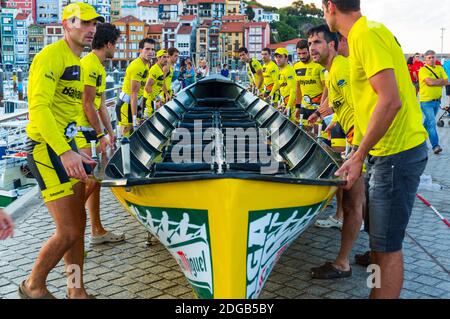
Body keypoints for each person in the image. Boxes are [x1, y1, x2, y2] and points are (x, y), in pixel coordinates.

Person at [323, 0, 428, 299]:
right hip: (385, 154)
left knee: (386, 250)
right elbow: (372, 102)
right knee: (378, 248)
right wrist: (360, 149)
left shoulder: (365, 34)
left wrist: (357, 156)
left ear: (330, 6)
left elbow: (390, 99)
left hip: (396, 154)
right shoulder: (362, 35)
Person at [20, 2, 103, 299]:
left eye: (94, 24)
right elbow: (38, 110)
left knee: (78, 225)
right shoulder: (49, 57)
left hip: (65, 146)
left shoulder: (78, 62)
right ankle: (33, 285)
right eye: (84, 23)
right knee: (68, 229)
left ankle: (75, 290)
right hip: (44, 148)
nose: (91, 29)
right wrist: (64, 152)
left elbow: (68, 114)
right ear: (67, 23)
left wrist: (77, 149)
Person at [307, 24, 363, 279]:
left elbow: (363, 105)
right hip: (357, 140)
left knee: (353, 202)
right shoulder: (331, 73)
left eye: (317, 42)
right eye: (309, 44)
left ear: (333, 44)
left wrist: (357, 150)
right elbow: (337, 102)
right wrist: (320, 114)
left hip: (362, 142)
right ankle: (372, 251)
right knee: (358, 200)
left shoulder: (341, 68)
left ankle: (343, 263)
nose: (312, 48)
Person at [74, 22, 125, 245]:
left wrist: (110, 133)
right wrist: (100, 133)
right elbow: (87, 104)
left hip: (91, 132)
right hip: (79, 131)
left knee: (95, 184)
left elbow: (101, 104)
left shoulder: (100, 67)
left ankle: (96, 230)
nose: (117, 48)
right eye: (116, 44)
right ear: (107, 43)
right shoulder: (89, 65)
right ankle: (68, 229)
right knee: (89, 182)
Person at [116, 38, 155, 136]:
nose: (150, 52)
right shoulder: (137, 66)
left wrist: (139, 111)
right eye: (147, 49)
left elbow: (141, 90)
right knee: (126, 138)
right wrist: (134, 119)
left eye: (152, 49)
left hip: (135, 104)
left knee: (135, 135)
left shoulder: (146, 64)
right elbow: (134, 94)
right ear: (140, 50)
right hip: (126, 105)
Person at [419, 50, 449, 154]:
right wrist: (439, 81)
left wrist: (437, 81)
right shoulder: (422, 70)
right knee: (431, 123)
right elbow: (429, 82)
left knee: (427, 124)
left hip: (437, 102)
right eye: (429, 58)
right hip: (426, 102)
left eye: (433, 57)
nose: (432, 59)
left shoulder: (440, 68)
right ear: (425, 59)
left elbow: (447, 81)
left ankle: (418, 140)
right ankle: (435, 146)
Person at [293, 39, 327, 127]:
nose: (302, 56)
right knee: (305, 133)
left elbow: (326, 88)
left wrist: (321, 109)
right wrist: (297, 106)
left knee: (317, 134)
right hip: (304, 108)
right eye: (299, 54)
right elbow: (298, 88)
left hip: (318, 108)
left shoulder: (319, 64)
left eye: (304, 53)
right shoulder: (296, 66)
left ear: (309, 51)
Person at [274, 47, 297, 121]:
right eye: (276, 57)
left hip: (292, 107)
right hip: (286, 104)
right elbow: (284, 89)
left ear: (286, 58)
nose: (278, 59)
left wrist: (288, 106)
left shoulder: (289, 70)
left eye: (280, 57)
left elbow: (293, 90)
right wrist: (283, 104)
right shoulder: (281, 70)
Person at [144, 50, 169, 117]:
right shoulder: (155, 69)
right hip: (149, 101)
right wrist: (156, 100)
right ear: (158, 58)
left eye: (167, 57)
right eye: (164, 57)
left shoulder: (160, 69)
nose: (166, 59)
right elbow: (147, 87)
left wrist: (166, 94)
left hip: (154, 99)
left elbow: (161, 83)